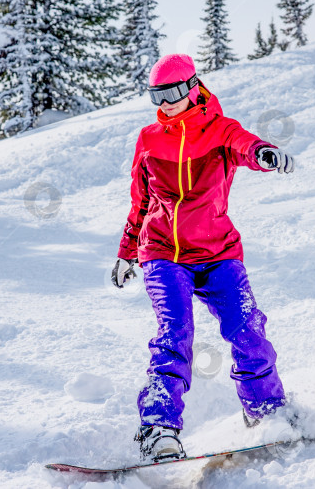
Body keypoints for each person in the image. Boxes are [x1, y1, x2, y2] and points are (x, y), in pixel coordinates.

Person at [111, 53, 295, 462]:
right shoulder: (149, 138)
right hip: (162, 254)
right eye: (156, 95)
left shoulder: (220, 129)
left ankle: (265, 408)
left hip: (218, 252)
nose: (166, 102)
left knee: (246, 326)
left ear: (193, 87)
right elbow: (140, 202)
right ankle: (159, 429)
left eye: (173, 92)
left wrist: (263, 153)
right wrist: (126, 253)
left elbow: (245, 146)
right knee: (175, 332)